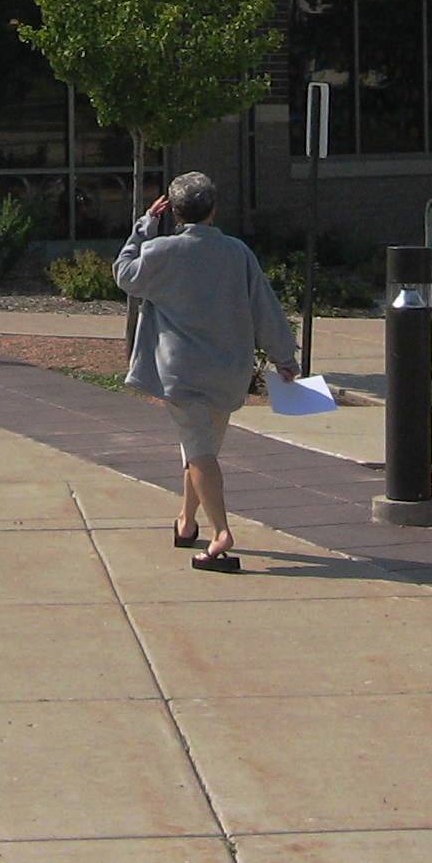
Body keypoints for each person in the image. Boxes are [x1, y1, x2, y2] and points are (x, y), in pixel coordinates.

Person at [116, 170, 297, 573]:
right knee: (201, 449)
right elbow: (264, 307)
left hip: (181, 372)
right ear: (214, 209)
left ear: (175, 213)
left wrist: (143, 227)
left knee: (199, 452)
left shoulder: (161, 252)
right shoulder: (237, 253)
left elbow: (123, 273)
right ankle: (186, 522)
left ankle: (220, 533)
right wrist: (284, 357)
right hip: (229, 371)